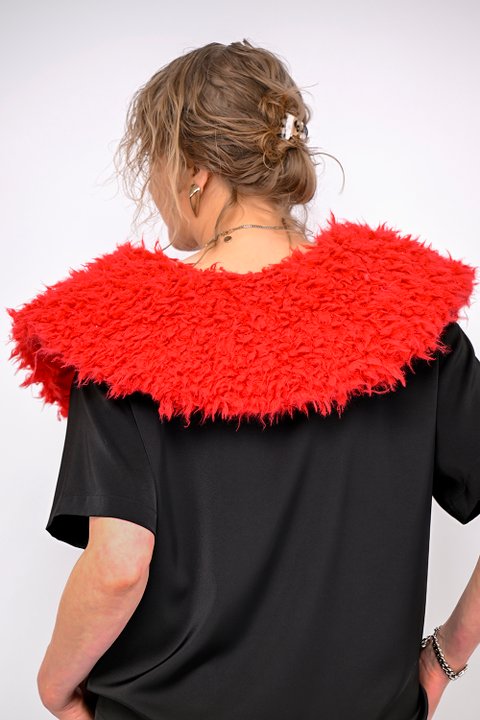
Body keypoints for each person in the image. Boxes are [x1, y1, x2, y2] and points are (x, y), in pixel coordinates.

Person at [5, 39, 480, 720]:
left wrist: (53, 685)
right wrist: (444, 658)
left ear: (195, 171)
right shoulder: (408, 316)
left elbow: (118, 565)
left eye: (155, 160)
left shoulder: (118, 330)